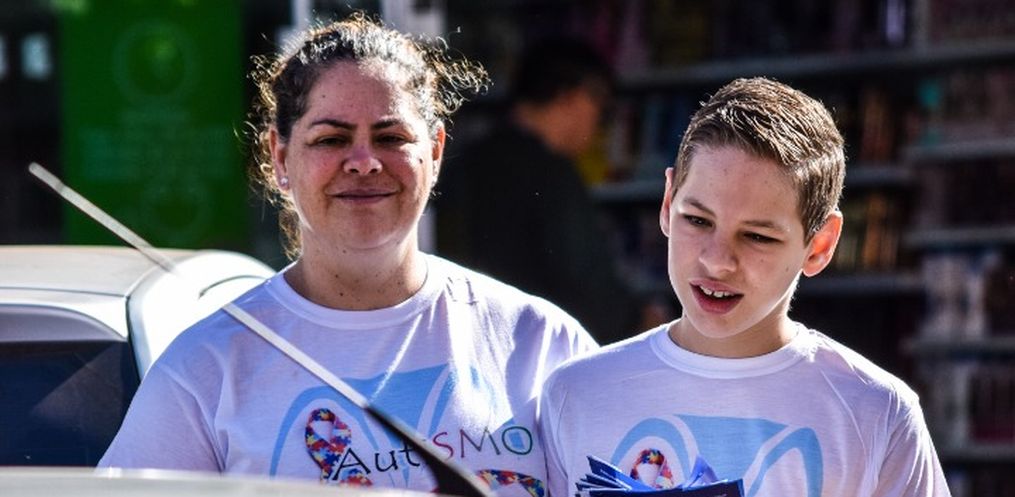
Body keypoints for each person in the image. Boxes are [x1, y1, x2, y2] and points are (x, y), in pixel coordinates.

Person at [99, 14, 597, 495]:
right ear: (279, 157)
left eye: (391, 137)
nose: (363, 162)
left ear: (435, 152)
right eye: (331, 139)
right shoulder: (204, 368)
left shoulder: (539, 341)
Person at [538, 78, 950, 497]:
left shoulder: (877, 415)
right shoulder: (575, 394)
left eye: (757, 237)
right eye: (697, 220)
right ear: (667, 204)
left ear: (820, 245)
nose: (717, 260)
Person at [435, 37, 644, 345]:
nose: (600, 121)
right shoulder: (553, 175)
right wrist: (638, 321)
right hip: (542, 347)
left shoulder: (463, 162)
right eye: (601, 105)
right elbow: (584, 281)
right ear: (569, 95)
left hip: (472, 340)